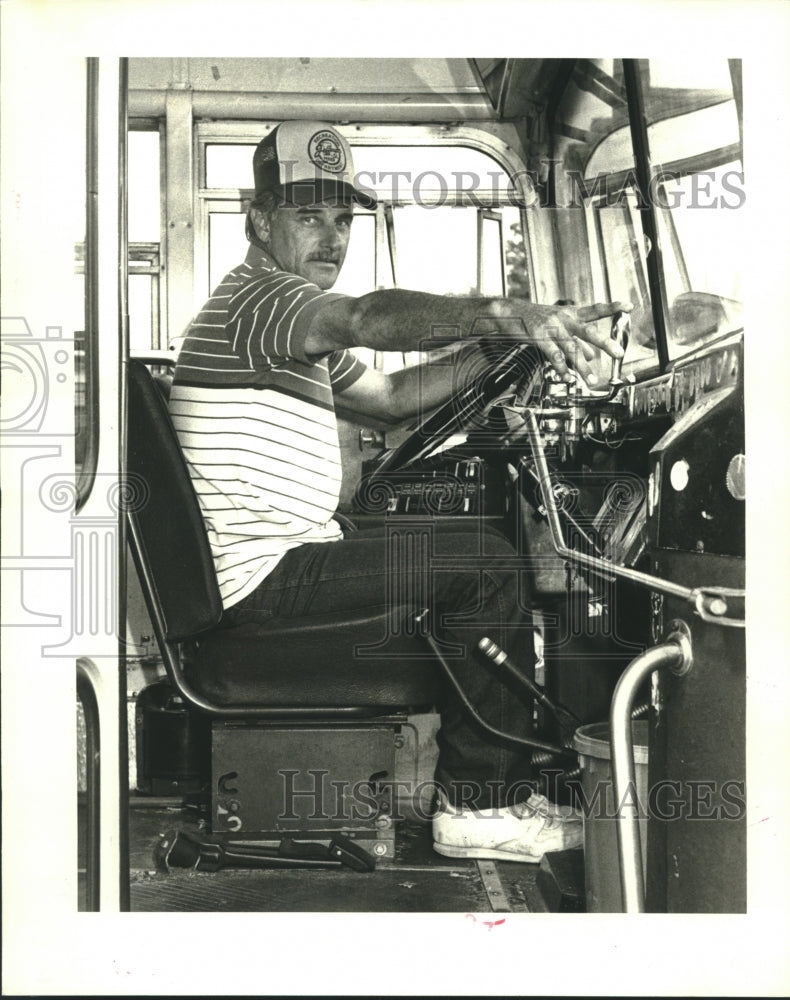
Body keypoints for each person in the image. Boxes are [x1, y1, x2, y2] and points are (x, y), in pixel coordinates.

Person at [170, 120, 629, 863]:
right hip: (258, 583)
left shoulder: (273, 320)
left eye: (342, 218)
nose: (330, 236)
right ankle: (479, 809)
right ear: (259, 220)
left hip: (278, 560)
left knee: (471, 557)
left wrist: (501, 347)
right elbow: (363, 317)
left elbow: (388, 396)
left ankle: (498, 786)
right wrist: (500, 312)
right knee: (486, 564)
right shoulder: (267, 302)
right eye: (307, 214)